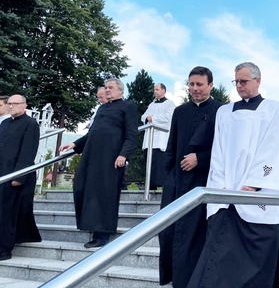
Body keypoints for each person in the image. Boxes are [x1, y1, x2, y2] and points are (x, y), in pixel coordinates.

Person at [186, 62, 279, 288]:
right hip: (226, 190)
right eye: (236, 82)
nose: (239, 86)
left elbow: (273, 148)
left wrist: (254, 182)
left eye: (244, 81)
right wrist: (219, 186)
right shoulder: (225, 112)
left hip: (255, 191)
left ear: (257, 81)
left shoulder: (273, 109)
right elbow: (218, 150)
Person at [158, 67, 222, 288]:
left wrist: (200, 158)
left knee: (197, 237)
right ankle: (178, 283)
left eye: (200, 85)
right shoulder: (180, 111)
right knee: (169, 232)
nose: (195, 89)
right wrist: (169, 177)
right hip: (177, 183)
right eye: (191, 84)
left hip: (204, 183)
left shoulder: (221, 111)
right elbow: (172, 146)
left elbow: (224, 149)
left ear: (210, 85)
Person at [60, 79, 138, 248]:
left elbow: (132, 135)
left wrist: (123, 154)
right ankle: (89, 225)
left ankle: (102, 234)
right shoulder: (102, 108)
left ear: (120, 91)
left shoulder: (127, 107)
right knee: (81, 186)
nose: (107, 90)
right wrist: (75, 144)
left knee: (104, 193)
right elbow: (92, 133)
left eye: (110, 88)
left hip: (111, 157)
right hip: (91, 155)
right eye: (106, 88)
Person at [0, 94, 41, 261]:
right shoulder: (5, 123)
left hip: (16, 175)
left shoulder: (30, 124)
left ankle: (5, 249)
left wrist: (19, 175)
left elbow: (28, 151)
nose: (11, 106)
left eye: (15, 104)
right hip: (2, 172)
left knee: (8, 212)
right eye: (9, 103)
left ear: (24, 105)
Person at [141, 83, 175, 190]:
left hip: (160, 138)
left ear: (164, 90)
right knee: (149, 163)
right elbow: (143, 117)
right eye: (154, 90)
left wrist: (153, 118)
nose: (155, 91)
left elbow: (169, 118)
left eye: (157, 89)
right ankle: (150, 185)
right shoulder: (151, 104)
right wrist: (148, 118)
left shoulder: (169, 104)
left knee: (159, 163)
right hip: (150, 138)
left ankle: (161, 184)